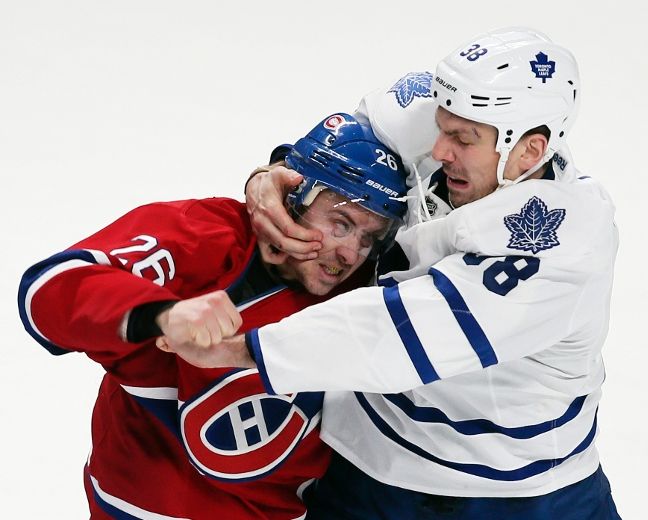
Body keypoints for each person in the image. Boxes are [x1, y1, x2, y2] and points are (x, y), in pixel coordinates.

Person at [190, 28, 622, 519]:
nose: (438, 150)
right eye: (442, 127)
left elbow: (407, 334)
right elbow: (343, 147)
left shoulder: (565, 240)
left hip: (521, 493)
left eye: (462, 139)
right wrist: (274, 175)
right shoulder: (460, 117)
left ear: (528, 151)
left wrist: (246, 347)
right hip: (369, 466)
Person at [17, 112, 407, 519]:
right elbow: (51, 288)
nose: (350, 253)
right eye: (340, 224)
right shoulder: (207, 237)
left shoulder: (371, 286)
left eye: (369, 237)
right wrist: (161, 314)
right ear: (293, 198)